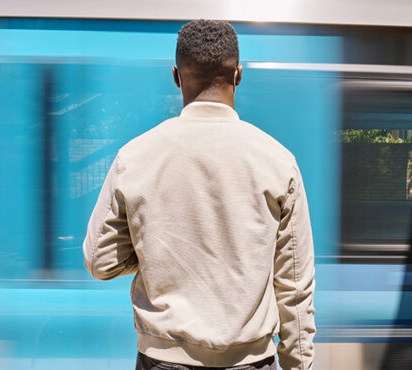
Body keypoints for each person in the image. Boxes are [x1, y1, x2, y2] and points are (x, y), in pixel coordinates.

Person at [83, 19, 316, 370]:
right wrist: (299, 365)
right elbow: (294, 284)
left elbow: (100, 262)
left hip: (161, 361)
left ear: (176, 76)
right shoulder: (278, 161)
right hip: (251, 363)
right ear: (238, 74)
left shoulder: (134, 157)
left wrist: (154, 252)